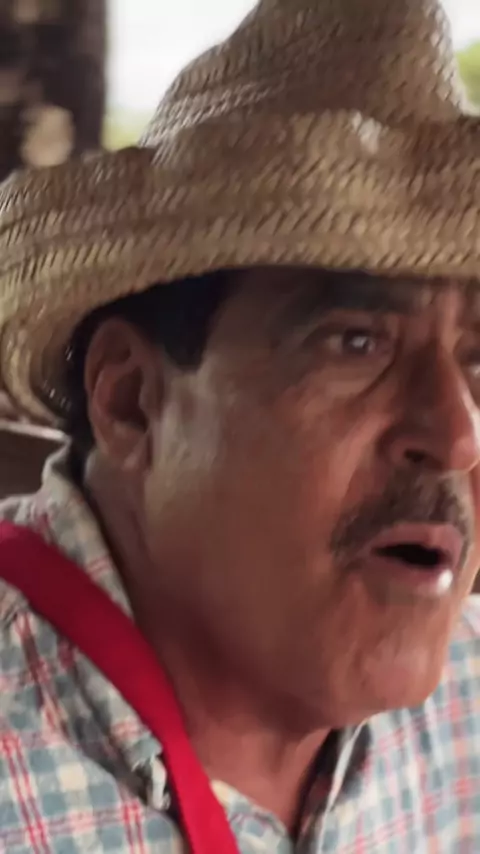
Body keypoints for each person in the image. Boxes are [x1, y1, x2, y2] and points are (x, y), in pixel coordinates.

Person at [0, 0, 479, 850]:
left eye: (479, 361)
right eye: (356, 342)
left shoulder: (466, 702)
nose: (455, 436)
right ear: (130, 398)